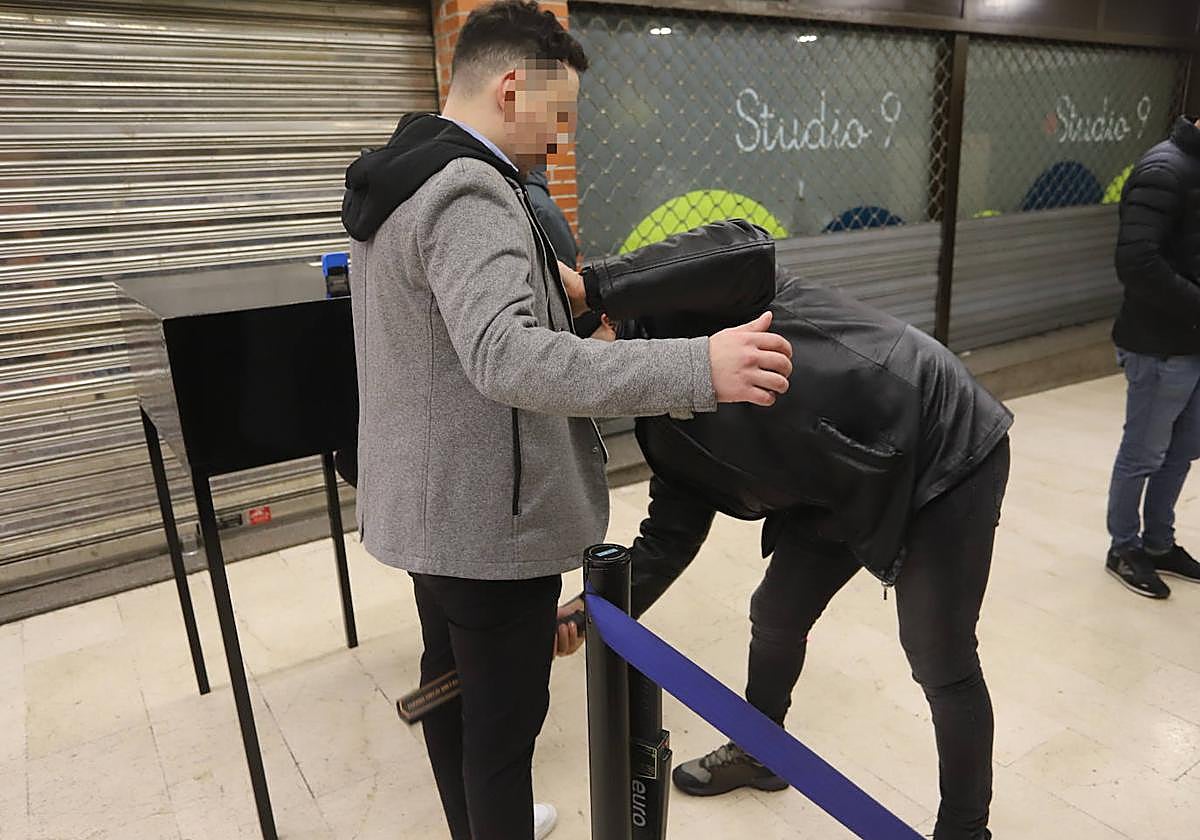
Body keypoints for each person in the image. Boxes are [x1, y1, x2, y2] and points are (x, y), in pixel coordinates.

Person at [338, 3, 794, 838]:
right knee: (504, 734)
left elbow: (445, 345)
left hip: (427, 510)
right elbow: (507, 359)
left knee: (451, 691)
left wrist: (579, 319)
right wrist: (700, 366)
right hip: (488, 527)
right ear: (512, 89)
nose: (560, 136)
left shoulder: (399, 178)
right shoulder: (470, 190)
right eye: (560, 113)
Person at [556, 221, 1012, 840]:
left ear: (606, 321)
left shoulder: (689, 302)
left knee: (938, 655)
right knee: (775, 612)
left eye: (588, 348)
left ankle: (965, 829)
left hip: (938, 444)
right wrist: (588, 611)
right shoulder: (659, 424)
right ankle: (760, 751)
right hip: (838, 485)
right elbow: (667, 540)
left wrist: (594, 284)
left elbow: (744, 248)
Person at [1104, 113, 1200, 599]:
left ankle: (1159, 542)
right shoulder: (1165, 169)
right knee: (1144, 452)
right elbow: (1137, 261)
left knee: (1182, 452)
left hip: (1193, 342)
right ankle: (1124, 547)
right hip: (1159, 344)